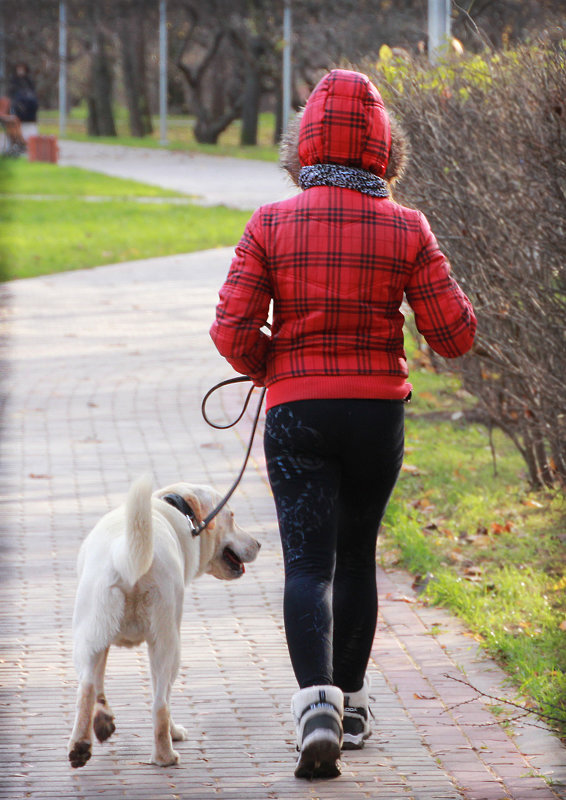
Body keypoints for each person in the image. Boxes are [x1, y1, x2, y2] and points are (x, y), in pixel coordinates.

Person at [210, 69, 476, 780]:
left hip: (297, 410)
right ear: (385, 149)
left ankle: (315, 708)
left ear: (303, 143)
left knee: (307, 565)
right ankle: (354, 706)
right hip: (376, 413)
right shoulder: (407, 226)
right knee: (357, 557)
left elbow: (232, 329)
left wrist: (274, 363)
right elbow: (453, 336)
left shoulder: (269, 222)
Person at [8, 62, 39, 142]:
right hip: (19, 110)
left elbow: (33, 93)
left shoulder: (28, 80)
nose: (20, 71)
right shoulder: (14, 81)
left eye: (22, 69)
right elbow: (12, 94)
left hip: (29, 111)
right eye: (19, 69)